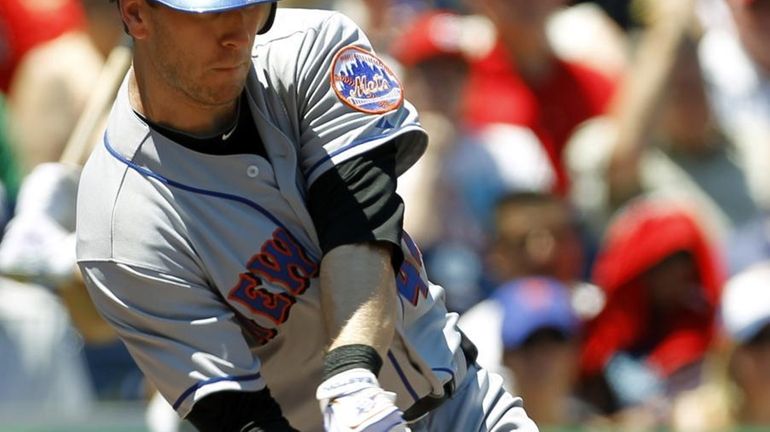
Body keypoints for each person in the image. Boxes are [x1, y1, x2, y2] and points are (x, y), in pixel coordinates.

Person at [76, 1, 539, 432]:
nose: (238, 33)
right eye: (211, 15)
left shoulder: (313, 48)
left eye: (249, 5)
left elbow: (359, 227)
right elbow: (235, 414)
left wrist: (352, 381)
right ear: (137, 15)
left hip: (466, 404)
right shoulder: (121, 224)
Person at [577, 198, 724, 428]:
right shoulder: (604, 341)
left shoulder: (706, 331)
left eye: (685, 259)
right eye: (666, 262)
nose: (680, 272)